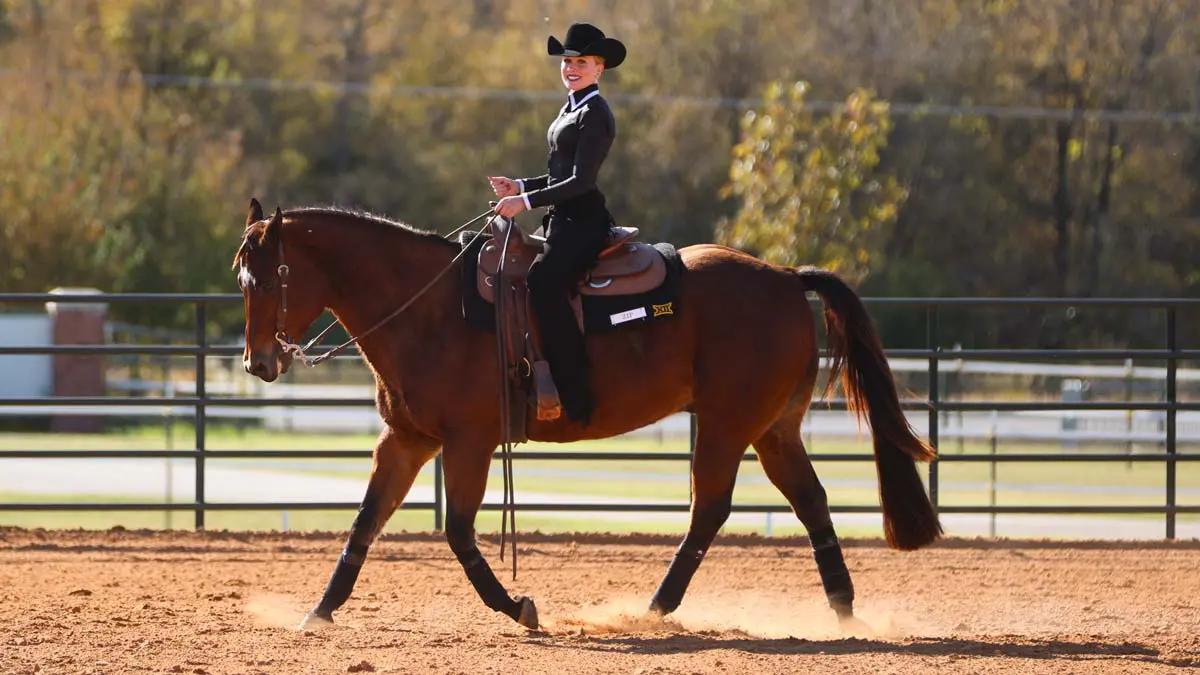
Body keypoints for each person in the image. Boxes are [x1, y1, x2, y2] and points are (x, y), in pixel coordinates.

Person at [489, 22, 626, 426]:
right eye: (567, 61)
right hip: (562, 218)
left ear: (599, 68)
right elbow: (558, 176)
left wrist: (525, 201)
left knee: (543, 282)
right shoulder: (572, 107)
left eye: (581, 62)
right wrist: (519, 185)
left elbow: (582, 182)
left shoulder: (596, 113)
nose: (571, 67)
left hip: (582, 221)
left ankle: (574, 389)